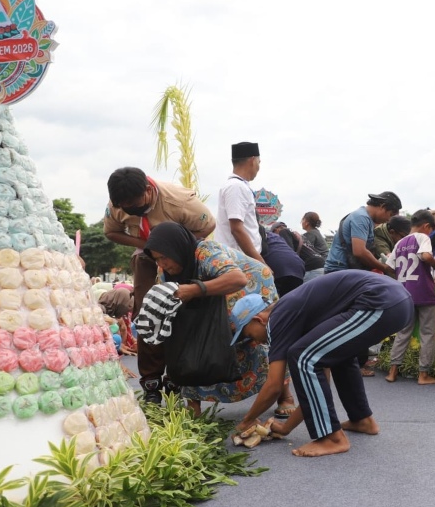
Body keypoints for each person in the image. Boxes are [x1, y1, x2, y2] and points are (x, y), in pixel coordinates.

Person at [229, 270, 414, 457]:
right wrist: (286, 428)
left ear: (258, 319)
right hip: (396, 300)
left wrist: (247, 421)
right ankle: (362, 419)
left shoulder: (278, 318)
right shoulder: (293, 315)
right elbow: (317, 384)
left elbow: (274, 385)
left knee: (301, 356)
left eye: (248, 335)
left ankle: (332, 439)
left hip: (380, 302)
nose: (254, 342)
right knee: (337, 358)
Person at [142, 222, 298, 418]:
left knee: (257, 341)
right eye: (156, 259)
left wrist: (194, 290)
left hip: (249, 289)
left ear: (177, 248)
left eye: (164, 257)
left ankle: (285, 396)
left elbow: (237, 279)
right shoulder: (164, 273)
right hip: (208, 300)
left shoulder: (205, 251)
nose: (161, 264)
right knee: (193, 345)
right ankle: (193, 409)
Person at [104, 166, 215, 403]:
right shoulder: (118, 203)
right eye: (125, 207)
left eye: (134, 204)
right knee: (147, 316)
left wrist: (175, 248)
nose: (129, 209)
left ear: (147, 190)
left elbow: (208, 225)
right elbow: (111, 232)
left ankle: (177, 380)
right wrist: (147, 244)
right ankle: (151, 384)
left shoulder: (178, 201)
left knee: (178, 313)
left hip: (180, 258)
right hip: (145, 256)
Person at [324, 191, 402, 376]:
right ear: (383, 207)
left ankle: (347, 362)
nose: (386, 221)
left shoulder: (363, 218)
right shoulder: (361, 218)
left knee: (350, 316)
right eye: (389, 215)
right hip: (342, 271)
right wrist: (384, 268)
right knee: (357, 316)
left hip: (344, 272)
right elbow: (359, 251)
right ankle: (353, 364)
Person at [384, 210, 435, 385]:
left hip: (405, 293)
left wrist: (402, 276)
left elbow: (388, 267)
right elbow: (425, 256)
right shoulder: (423, 238)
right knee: (428, 332)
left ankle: (393, 371)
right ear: (426, 226)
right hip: (423, 291)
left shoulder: (400, 243)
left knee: (403, 332)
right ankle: (423, 374)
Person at [214, 141, 266, 263]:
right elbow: (237, 229)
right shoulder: (236, 187)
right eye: (259, 162)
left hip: (243, 260)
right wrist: (261, 263)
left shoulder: (238, 185)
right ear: (252, 160)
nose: (259, 167)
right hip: (239, 262)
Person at [262, 229, 306, 296]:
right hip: (298, 266)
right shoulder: (277, 237)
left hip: (278, 267)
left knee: (273, 301)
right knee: (291, 300)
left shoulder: (258, 236)